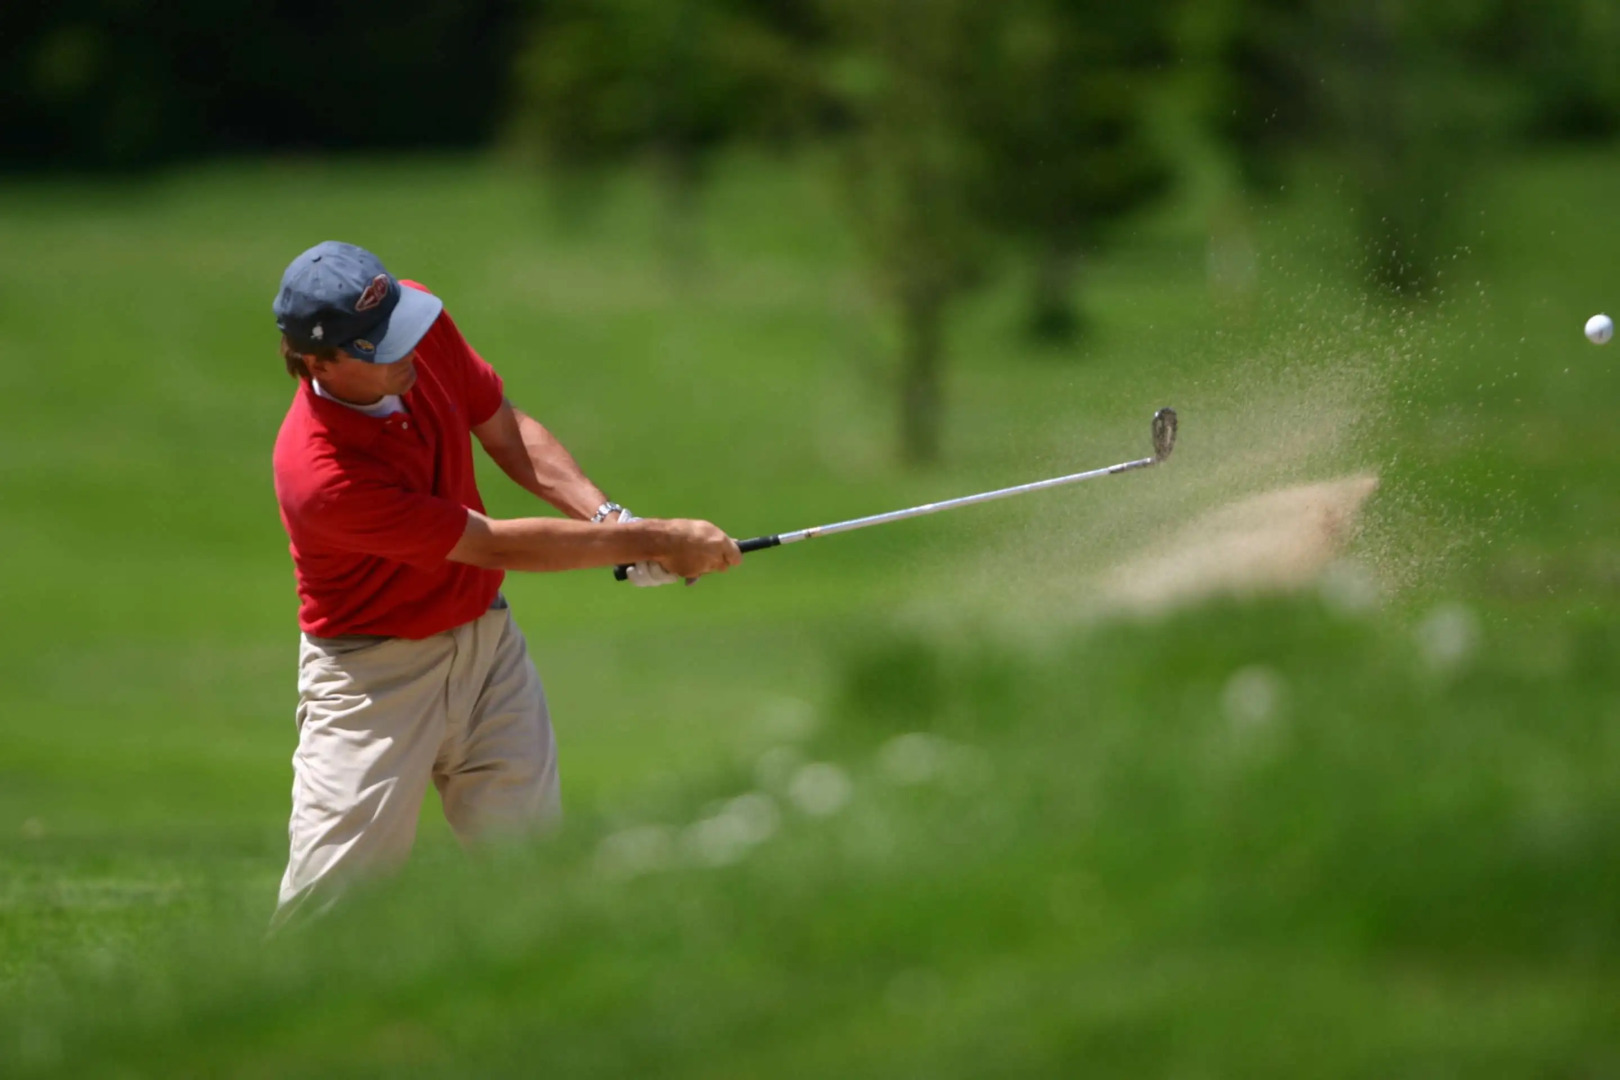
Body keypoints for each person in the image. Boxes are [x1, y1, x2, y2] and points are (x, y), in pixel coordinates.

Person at [268, 240, 740, 927]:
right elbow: (489, 544)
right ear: (319, 363)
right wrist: (657, 540)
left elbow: (505, 428)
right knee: (329, 915)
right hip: (373, 683)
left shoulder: (415, 329)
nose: (407, 348)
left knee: (537, 886)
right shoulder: (321, 476)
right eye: (381, 346)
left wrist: (614, 520)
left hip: (488, 649)